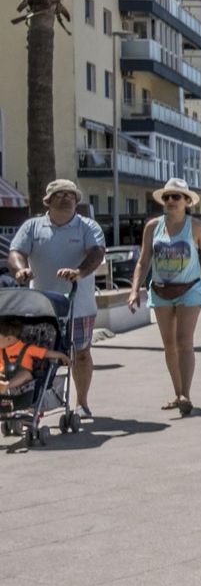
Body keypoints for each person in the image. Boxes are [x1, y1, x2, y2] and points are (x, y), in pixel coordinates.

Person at [126, 179, 201, 416]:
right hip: (161, 290)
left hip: (189, 289)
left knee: (184, 341)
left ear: (187, 201)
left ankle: (186, 394)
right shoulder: (153, 227)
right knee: (169, 346)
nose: (171, 201)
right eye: (167, 197)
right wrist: (134, 290)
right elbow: (143, 261)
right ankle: (178, 394)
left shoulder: (197, 228)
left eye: (176, 197)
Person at [7, 179, 105, 421]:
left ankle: (82, 404)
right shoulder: (32, 227)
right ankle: (34, 404)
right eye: (59, 194)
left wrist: (79, 272)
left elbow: (97, 253)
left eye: (71, 194)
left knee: (81, 353)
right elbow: (16, 252)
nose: (66, 198)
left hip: (78, 306)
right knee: (36, 356)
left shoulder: (87, 226)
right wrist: (20, 270)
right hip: (39, 309)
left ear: (77, 200)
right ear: (48, 201)